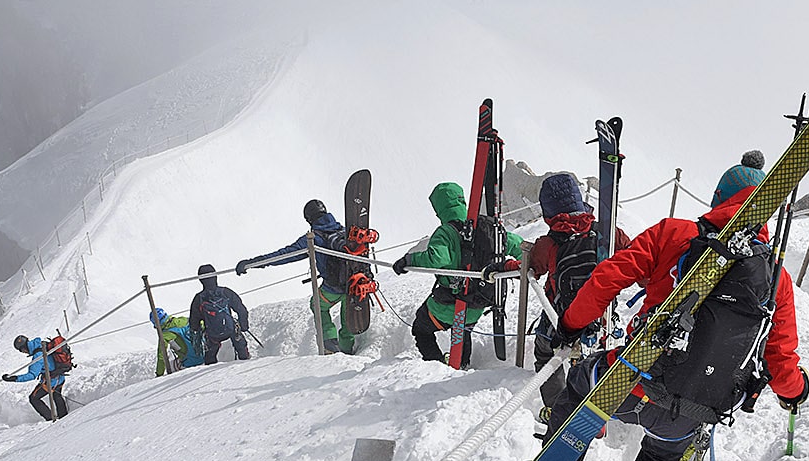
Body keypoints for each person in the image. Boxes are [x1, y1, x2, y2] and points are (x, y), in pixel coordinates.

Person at [535, 161, 809, 461]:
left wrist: (572, 324)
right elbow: (781, 358)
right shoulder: (775, 277)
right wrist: (796, 391)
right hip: (695, 405)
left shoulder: (676, 234)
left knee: (579, 384)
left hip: (632, 378)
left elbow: (607, 277)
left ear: (718, 198)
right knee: (663, 456)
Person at [526, 172, 631, 440]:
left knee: (545, 353)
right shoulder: (608, 234)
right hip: (601, 315)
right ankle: (597, 414)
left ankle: (557, 407)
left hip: (560, 319)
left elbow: (531, 268)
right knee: (595, 361)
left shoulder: (547, 244)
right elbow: (632, 258)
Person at [391, 182, 523, 366]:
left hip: (448, 304)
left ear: (439, 209)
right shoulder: (486, 227)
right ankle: (462, 364)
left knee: (421, 329)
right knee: (462, 329)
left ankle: (435, 364)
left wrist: (408, 261)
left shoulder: (446, 232)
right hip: (478, 302)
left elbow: (437, 258)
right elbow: (517, 244)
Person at [236, 199, 359, 354]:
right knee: (347, 308)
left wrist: (254, 263)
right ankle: (347, 346)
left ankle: (330, 344)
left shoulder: (314, 238)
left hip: (333, 289)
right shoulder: (344, 231)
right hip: (354, 284)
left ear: (309, 219)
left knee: (317, 304)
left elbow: (284, 255)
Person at [188, 264, 252, 363]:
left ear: (201, 280)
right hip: (230, 329)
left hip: (212, 334)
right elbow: (241, 309)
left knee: (210, 352)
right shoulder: (226, 292)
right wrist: (244, 325)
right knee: (239, 342)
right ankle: (245, 359)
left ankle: (210, 369)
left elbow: (193, 322)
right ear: (215, 276)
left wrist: (197, 329)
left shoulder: (199, 298)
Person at [3, 334, 70, 420]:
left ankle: (50, 418)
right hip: (60, 376)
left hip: (52, 380)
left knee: (33, 398)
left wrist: (14, 378)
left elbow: (32, 375)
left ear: (23, 348)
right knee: (56, 395)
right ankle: (64, 417)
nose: (23, 352)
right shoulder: (42, 345)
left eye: (21, 351)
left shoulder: (37, 356)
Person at [152, 307, 204, 376]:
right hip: (205, 354)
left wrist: (159, 374)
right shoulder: (183, 320)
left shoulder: (164, 335)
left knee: (172, 366)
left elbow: (161, 357)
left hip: (190, 362)